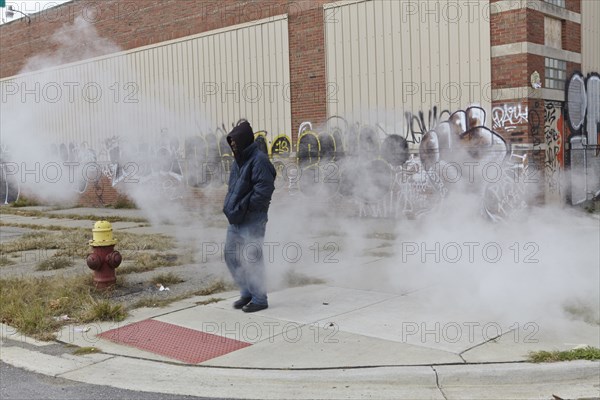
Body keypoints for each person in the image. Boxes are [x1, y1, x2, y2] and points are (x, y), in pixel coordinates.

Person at [223, 121, 276, 312]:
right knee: (231, 256)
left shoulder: (259, 160)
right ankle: (246, 293)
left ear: (244, 140)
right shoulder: (239, 160)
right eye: (231, 143)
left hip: (252, 220)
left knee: (253, 258)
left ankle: (260, 299)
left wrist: (244, 208)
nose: (233, 145)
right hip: (236, 219)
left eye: (235, 142)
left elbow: (264, 192)